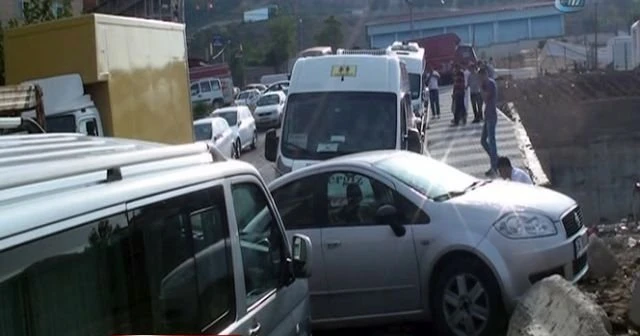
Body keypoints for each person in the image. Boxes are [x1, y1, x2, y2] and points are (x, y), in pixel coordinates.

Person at [479, 67, 498, 176]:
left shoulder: (490, 84)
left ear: (485, 75)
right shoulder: (486, 84)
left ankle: (494, 166)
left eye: (481, 77)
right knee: (483, 141)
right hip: (487, 115)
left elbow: (486, 98)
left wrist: (481, 88)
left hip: (491, 115)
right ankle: (495, 158)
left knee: (492, 141)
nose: (481, 79)